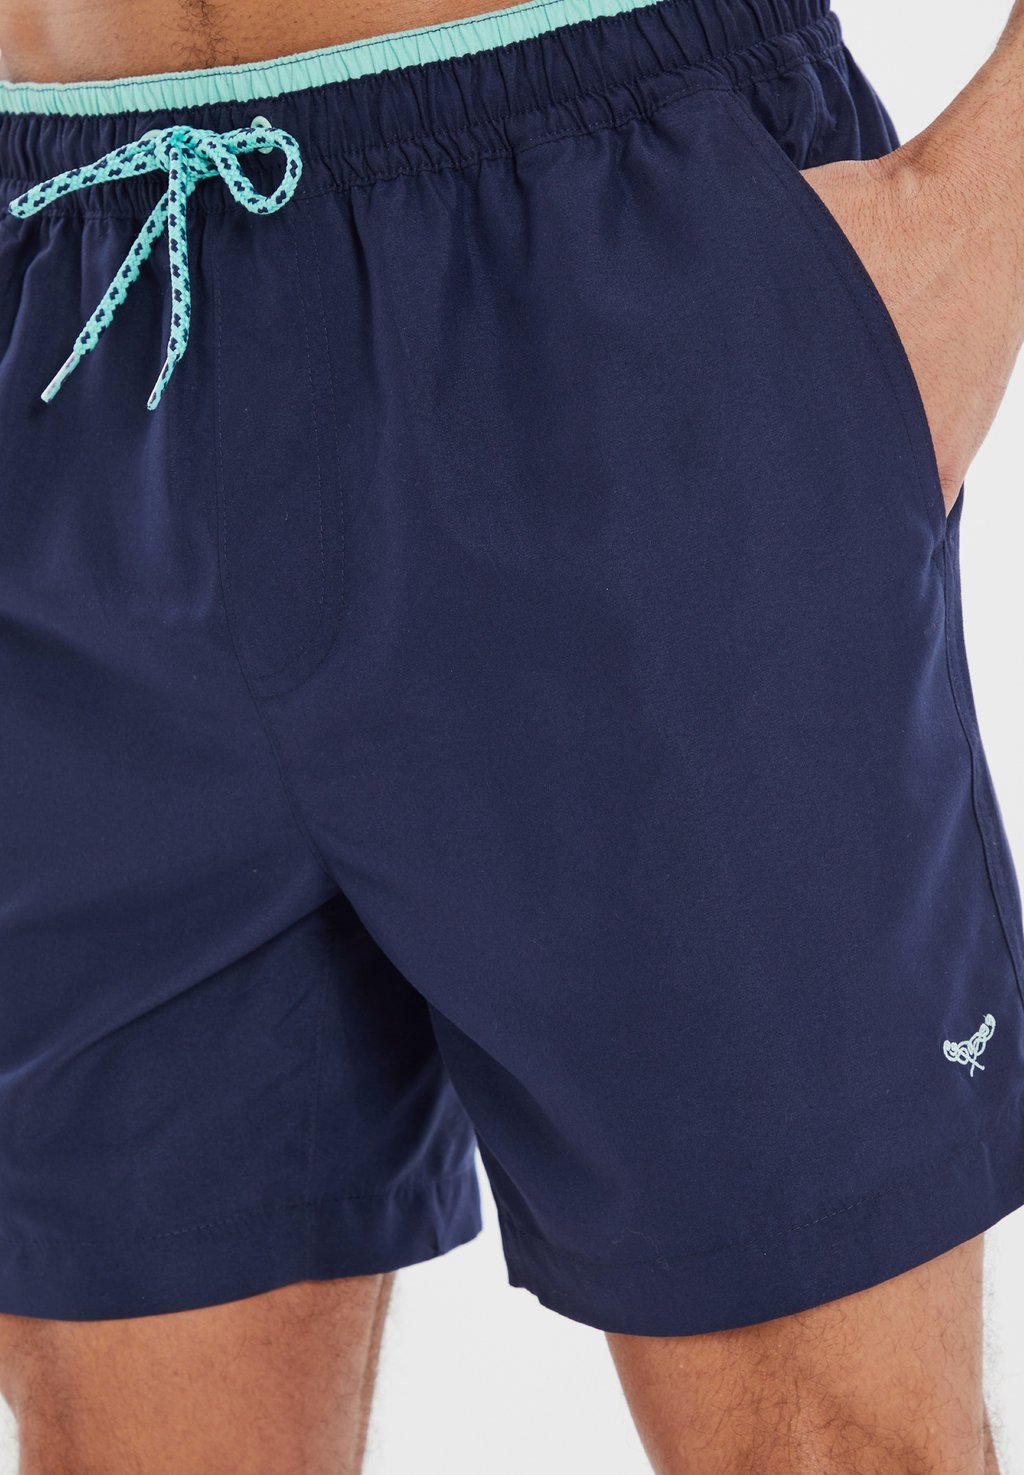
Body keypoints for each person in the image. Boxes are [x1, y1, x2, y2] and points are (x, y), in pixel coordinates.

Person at [0, 0, 1021, 1468]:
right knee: (117, 1436)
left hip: (611, 249)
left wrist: (978, 224)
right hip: (72, 292)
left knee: (828, 1441)